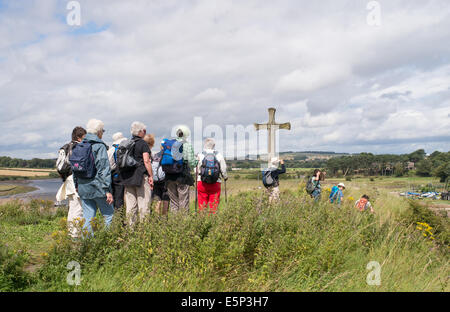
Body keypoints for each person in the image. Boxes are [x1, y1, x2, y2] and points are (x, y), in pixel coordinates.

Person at [74, 119, 114, 234]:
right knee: (108, 215)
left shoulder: (79, 146)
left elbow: (75, 169)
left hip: (83, 186)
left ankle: (86, 244)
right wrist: (107, 190)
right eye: (103, 131)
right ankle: (107, 241)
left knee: (88, 217)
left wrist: (77, 184)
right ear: (99, 131)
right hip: (98, 187)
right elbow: (103, 169)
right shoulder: (99, 146)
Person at [120, 122, 154, 227]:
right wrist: (151, 176)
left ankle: (130, 230)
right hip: (140, 177)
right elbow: (146, 161)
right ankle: (143, 232)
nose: (145, 132)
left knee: (130, 206)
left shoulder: (127, 143)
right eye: (144, 130)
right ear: (140, 132)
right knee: (143, 205)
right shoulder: (143, 144)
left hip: (128, 178)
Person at [56, 126, 86, 238]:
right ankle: (76, 235)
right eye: (84, 137)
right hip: (75, 179)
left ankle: (71, 231)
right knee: (79, 207)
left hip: (67, 179)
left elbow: (59, 168)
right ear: (79, 137)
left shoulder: (65, 147)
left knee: (72, 206)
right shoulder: (78, 147)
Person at [165, 125, 197, 213]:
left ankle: (174, 224)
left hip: (169, 176)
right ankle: (183, 224)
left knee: (174, 202)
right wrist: (196, 162)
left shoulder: (170, 144)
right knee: (183, 202)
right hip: (182, 175)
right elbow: (191, 162)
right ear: (186, 134)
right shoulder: (187, 145)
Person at [196, 138, 228, 214]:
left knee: (202, 204)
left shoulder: (200, 155)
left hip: (202, 182)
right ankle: (212, 222)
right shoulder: (219, 155)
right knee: (214, 204)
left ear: (205, 145)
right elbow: (223, 169)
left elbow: (196, 170)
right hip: (216, 182)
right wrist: (225, 177)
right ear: (214, 145)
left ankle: (201, 221)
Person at [107, 132, 127, 210]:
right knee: (120, 197)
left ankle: (113, 216)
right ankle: (120, 217)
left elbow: (109, 165)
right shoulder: (124, 149)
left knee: (113, 196)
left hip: (112, 174)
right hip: (121, 175)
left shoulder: (110, 150)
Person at [151, 141, 170, 217]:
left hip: (156, 180)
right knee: (165, 198)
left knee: (157, 199)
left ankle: (156, 218)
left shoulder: (156, 155)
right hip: (165, 180)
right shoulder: (167, 154)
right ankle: (164, 218)